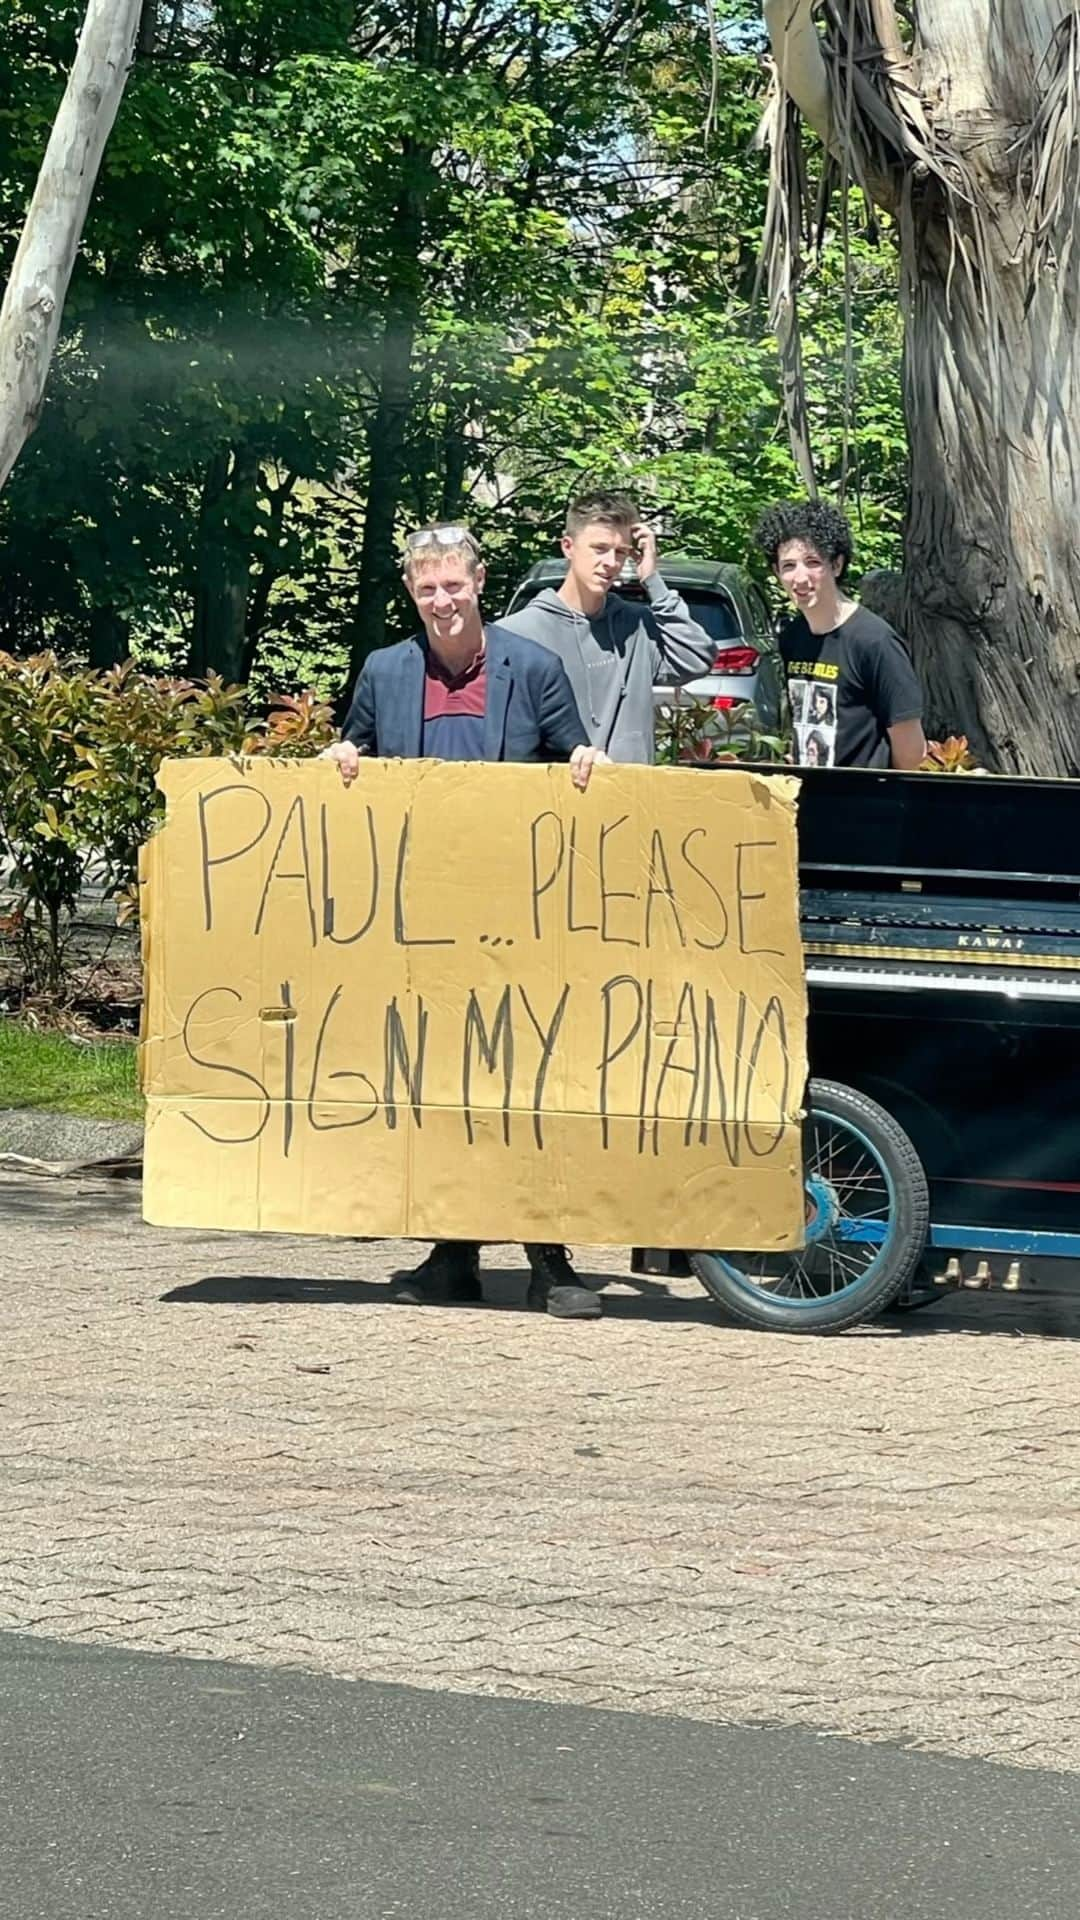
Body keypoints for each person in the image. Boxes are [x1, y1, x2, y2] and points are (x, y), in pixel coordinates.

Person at [325, 522, 608, 1321]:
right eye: (427, 590)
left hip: (516, 916)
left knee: (525, 1084)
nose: (442, 601)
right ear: (412, 594)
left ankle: (552, 1261)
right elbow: (357, 762)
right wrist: (341, 760)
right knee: (439, 1085)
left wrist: (586, 764)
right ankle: (453, 1255)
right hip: (419, 919)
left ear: (479, 582)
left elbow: (576, 767)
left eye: (454, 586)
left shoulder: (536, 669)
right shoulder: (384, 671)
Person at [499, 488, 715, 762]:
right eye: (599, 549)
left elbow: (697, 659)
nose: (611, 563)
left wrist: (652, 580)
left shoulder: (637, 627)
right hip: (555, 799)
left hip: (631, 797)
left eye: (622, 552)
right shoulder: (516, 634)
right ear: (568, 546)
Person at [755, 499, 926, 770]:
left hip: (863, 804)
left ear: (836, 565)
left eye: (812, 562)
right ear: (777, 572)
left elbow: (911, 749)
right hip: (807, 799)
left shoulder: (875, 642)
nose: (800, 578)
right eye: (789, 566)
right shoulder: (792, 636)